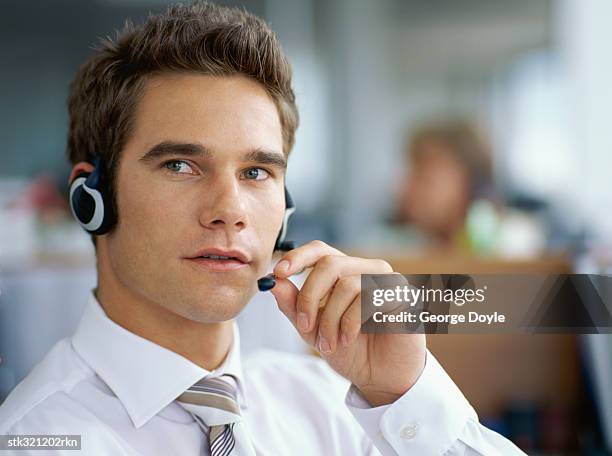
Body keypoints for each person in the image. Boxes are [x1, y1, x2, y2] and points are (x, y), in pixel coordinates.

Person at [0, 3, 523, 455]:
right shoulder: (36, 436)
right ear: (91, 197)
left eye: (256, 173)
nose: (230, 210)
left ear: (286, 209)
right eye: (181, 165)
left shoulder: (335, 402)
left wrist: (405, 393)